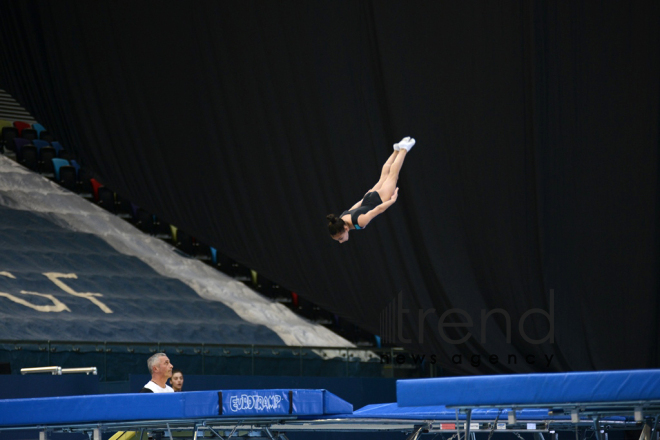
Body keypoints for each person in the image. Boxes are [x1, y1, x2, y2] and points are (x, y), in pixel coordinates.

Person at [327, 136, 415, 243]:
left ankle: (404, 149)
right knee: (383, 176)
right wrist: (363, 198)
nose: (341, 241)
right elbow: (354, 207)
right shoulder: (341, 219)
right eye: (338, 240)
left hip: (378, 200)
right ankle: (396, 150)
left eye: (340, 238)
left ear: (345, 229)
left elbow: (377, 210)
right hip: (367, 198)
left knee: (393, 175)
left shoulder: (359, 223)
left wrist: (391, 201)